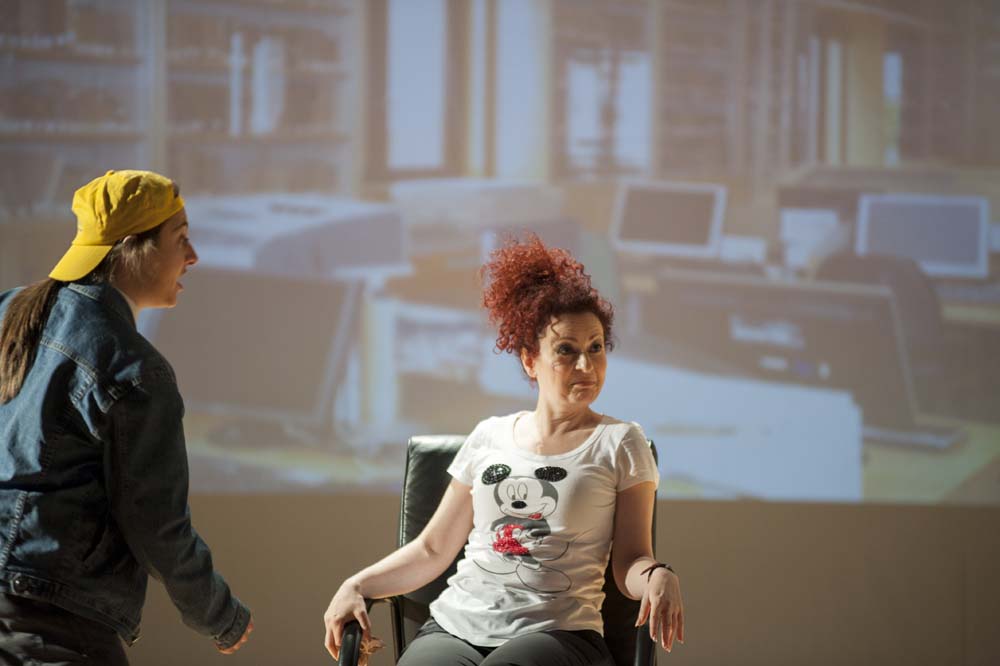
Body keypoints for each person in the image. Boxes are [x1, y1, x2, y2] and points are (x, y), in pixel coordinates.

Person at [324, 234, 684, 665]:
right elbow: (432, 550)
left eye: (595, 348)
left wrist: (657, 575)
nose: (586, 365)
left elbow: (630, 563)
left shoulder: (621, 442)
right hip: (455, 627)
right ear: (530, 360)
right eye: (566, 351)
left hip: (559, 634)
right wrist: (355, 585)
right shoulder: (489, 435)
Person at [0, 170, 253, 664]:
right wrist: (220, 616)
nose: (193, 256)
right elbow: (157, 526)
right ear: (133, 249)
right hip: (49, 623)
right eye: (180, 238)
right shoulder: (134, 368)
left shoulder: (10, 311)